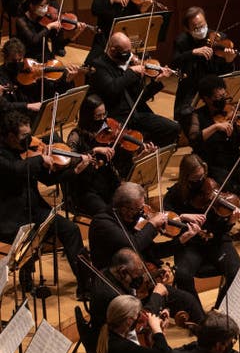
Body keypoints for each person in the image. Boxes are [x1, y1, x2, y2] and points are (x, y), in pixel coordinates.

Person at [0, 110, 92, 297]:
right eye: (25, 136)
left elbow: (48, 180)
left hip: (35, 210)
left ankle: (86, 287)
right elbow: (15, 169)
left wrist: (76, 171)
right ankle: (26, 276)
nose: (30, 140)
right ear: (10, 136)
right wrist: (40, 158)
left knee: (70, 230)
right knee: (31, 240)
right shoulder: (3, 155)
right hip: (10, 217)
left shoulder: (27, 152)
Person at [88, 182, 206, 323]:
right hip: (119, 291)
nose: (142, 213)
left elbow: (154, 251)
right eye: (138, 209)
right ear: (125, 208)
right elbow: (133, 245)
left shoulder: (131, 222)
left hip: (140, 283)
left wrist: (182, 239)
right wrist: (152, 225)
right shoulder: (103, 223)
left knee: (189, 301)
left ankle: (207, 337)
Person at [163, 154, 240, 310]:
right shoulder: (175, 194)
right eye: (195, 178)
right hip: (190, 244)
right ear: (186, 177)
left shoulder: (212, 187)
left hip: (217, 241)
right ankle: (198, 316)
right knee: (183, 275)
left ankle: (219, 313)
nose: (201, 182)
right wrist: (183, 216)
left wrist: (230, 222)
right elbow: (166, 220)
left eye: (202, 176)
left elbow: (220, 229)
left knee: (237, 272)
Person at [185, 75, 240, 222]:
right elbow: (194, 139)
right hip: (214, 163)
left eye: (224, 95)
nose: (223, 99)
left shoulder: (232, 112)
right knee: (230, 189)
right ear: (207, 98)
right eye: (218, 97)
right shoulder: (198, 115)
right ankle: (225, 224)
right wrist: (216, 126)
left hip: (235, 159)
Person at [65, 95, 157, 216]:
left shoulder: (107, 133)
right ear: (88, 116)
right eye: (98, 116)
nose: (103, 119)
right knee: (110, 214)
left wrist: (139, 157)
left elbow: (120, 166)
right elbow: (70, 160)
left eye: (104, 114)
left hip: (108, 182)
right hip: (86, 189)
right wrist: (94, 150)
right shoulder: (76, 136)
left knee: (133, 206)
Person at [88, 32, 180, 146]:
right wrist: (131, 72)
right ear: (112, 50)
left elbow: (140, 97)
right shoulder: (99, 66)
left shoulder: (125, 65)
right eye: (126, 53)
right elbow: (112, 88)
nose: (130, 56)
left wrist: (157, 81)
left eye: (130, 51)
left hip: (135, 115)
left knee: (173, 128)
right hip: (117, 120)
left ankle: (151, 153)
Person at [87, 248, 189, 336]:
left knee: (186, 299)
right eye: (136, 277)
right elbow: (139, 322)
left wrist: (164, 309)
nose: (139, 280)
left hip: (123, 327)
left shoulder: (109, 272)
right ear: (123, 272)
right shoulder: (112, 295)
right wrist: (157, 295)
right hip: (114, 339)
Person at [171, 6, 236, 119]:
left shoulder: (219, 38)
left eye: (203, 25)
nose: (201, 29)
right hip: (190, 89)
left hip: (214, 90)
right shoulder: (182, 41)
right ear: (187, 29)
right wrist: (193, 52)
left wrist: (229, 62)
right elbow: (174, 63)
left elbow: (224, 73)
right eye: (196, 28)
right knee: (184, 117)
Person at [0, 37, 79, 117]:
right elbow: (4, 105)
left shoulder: (32, 72)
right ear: (5, 58)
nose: (17, 63)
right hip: (15, 116)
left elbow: (53, 92)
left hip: (36, 111)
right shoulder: (2, 75)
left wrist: (67, 81)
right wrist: (27, 106)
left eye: (20, 60)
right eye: (13, 61)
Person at [88, 0, 140, 64]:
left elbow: (137, 18)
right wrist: (111, 0)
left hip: (126, 39)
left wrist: (143, 7)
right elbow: (94, 10)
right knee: (90, 64)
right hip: (105, 38)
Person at [15, 0, 84, 58]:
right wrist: (49, 27)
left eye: (46, 5)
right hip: (29, 59)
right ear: (31, 5)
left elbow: (58, 46)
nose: (45, 9)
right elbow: (33, 40)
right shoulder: (21, 21)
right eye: (42, 6)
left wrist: (74, 36)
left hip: (46, 57)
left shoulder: (46, 20)